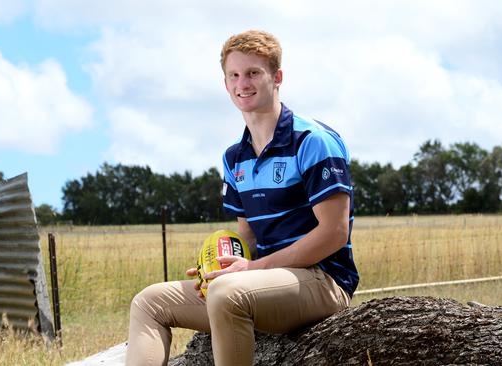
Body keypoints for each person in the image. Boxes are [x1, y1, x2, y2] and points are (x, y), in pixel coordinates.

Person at [126, 30, 359, 366]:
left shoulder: (313, 141)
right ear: (225, 84)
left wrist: (252, 269)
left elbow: (334, 233)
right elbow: (247, 235)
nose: (242, 83)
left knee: (227, 292)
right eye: (234, 75)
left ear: (277, 78)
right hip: (261, 282)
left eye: (253, 73)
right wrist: (218, 267)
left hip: (323, 281)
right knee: (149, 302)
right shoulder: (234, 157)